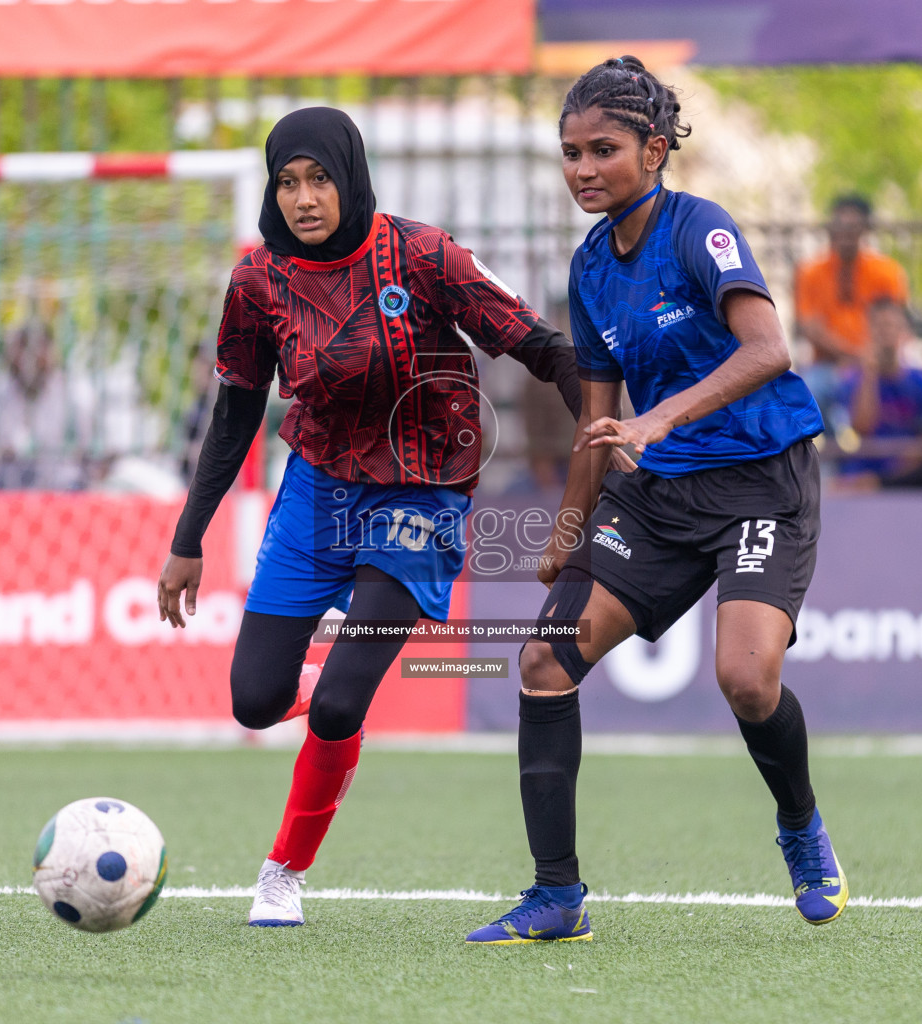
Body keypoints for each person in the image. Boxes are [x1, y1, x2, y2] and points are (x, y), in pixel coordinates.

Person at [154, 107, 593, 928]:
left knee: (337, 710)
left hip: (419, 500)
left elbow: (549, 351)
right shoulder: (258, 283)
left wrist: (604, 446)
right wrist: (189, 540)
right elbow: (234, 415)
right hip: (316, 495)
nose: (304, 198)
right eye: (287, 182)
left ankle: (283, 872)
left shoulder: (425, 256)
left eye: (319, 178)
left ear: (350, 177)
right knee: (254, 702)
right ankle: (319, 681)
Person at [466, 56, 846, 946]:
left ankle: (799, 827)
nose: (583, 169)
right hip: (661, 492)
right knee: (542, 664)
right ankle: (556, 896)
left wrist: (661, 417)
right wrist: (565, 533)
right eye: (569, 153)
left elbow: (769, 350)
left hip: (763, 480)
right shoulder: (592, 266)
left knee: (746, 680)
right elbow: (598, 426)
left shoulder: (700, 230)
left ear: (656, 149)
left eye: (603, 149)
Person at [794, 194, 909, 426]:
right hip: (827, 366)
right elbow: (811, 328)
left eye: (853, 225)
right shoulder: (810, 272)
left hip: (879, 363)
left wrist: (869, 359)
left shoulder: (887, 271)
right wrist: (853, 356)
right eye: (840, 224)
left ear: (866, 229)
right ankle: (824, 462)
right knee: (808, 397)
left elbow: (896, 322)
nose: (846, 232)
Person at [834, 298, 922, 490]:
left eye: (892, 326)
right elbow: (860, 428)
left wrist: (887, 479)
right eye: (879, 326)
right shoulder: (852, 381)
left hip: (908, 479)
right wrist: (869, 375)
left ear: (905, 333)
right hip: (861, 476)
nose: (886, 332)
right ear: (868, 332)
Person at [0, 318, 90, 490]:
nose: (28, 360)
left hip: (61, 486)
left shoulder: (73, 394)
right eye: (22, 349)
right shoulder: (0, 392)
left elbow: (87, 450)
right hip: (11, 486)